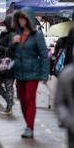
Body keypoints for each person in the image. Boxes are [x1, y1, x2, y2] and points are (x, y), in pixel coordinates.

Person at [9, 8, 49, 139]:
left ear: (29, 19)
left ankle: (29, 127)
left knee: (29, 99)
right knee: (22, 100)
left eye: (23, 18)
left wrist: (44, 74)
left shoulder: (37, 35)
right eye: (19, 18)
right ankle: (28, 124)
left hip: (33, 73)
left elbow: (44, 56)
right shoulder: (17, 34)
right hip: (19, 72)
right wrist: (13, 44)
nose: (21, 21)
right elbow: (11, 54)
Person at [0, 14, 15, 115]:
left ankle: (9, 107)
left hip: (9, 63)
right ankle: (9, 100)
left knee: (9, 85)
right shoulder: (2, 33)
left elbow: (11, 50)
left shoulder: (14, 35)